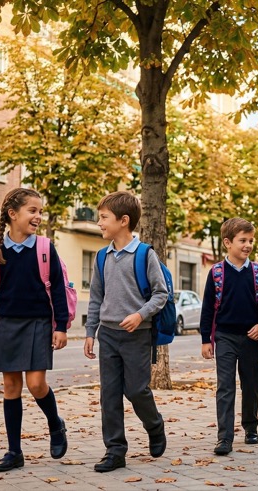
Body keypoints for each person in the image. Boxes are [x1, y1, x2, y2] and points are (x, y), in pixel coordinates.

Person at [0, 188, 70, 472]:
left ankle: (55, 423)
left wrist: (60, 326)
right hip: (8, 324)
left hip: (39, 323)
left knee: (36, 384)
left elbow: (59, 289)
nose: (38, 216)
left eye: (40, 211)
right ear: (13, 214)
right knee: (11, 387)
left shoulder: (45, 248)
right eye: (32, 211)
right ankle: (14, 452)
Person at [83, 191, 168, 472]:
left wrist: (139, 314)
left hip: (137, 334)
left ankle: (155, 426)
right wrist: (89, 332)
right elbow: (96, 298)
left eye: (104, 217)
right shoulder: (101, 257)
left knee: (136, 390)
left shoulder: (144, 254)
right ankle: (115, 451)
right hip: (107, 334)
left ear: (123, 221)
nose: (99, 223)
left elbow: (160, 294)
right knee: (109, 394)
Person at [199, 218, 258, 456]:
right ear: (228, 243)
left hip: (251, 337)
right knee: (225, 387)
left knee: (251, 384)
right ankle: (225, 437)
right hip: (225, 336)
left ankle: (251, 427)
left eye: (250, 240)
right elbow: (208, 306)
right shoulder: (217, 272)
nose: (248, 245)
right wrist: (205, 339)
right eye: (243, 240)